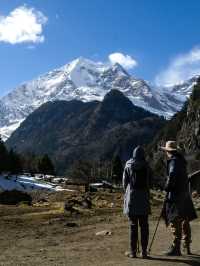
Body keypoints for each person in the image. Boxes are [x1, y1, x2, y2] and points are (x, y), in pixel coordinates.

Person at [161, 141, 197, 256]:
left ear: (168, 151)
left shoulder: (173, 162)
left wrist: (167, 187)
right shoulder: (182, 161)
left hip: (175, 196)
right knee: (185, 220)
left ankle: (176, 248)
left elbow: (172, 176)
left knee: (175, 221)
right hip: (185, 194)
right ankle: (187, 246)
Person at [122, 146, 151, 259]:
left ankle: (133, 252)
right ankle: (144, 252)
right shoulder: (147, 166)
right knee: (144, 226)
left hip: (132, 198)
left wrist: (128, 192)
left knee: (133, 226)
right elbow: (149, 182)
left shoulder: (128, 165)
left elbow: (124, 183)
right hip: (144, 199)